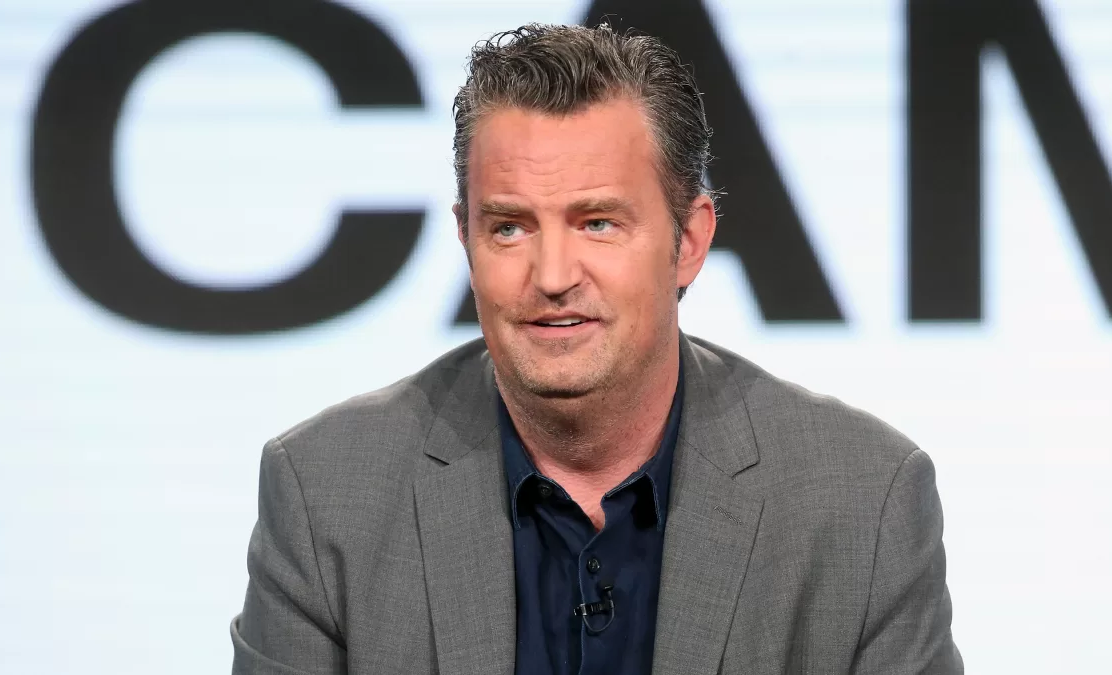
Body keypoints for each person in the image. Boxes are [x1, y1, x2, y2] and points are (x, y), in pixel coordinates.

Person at [230, 22, 962, 675]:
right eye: (509, 227)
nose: (552, 276)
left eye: (598, 223)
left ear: (689, 241)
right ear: (465, 239)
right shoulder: (326, 493)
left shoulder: (861, 502)